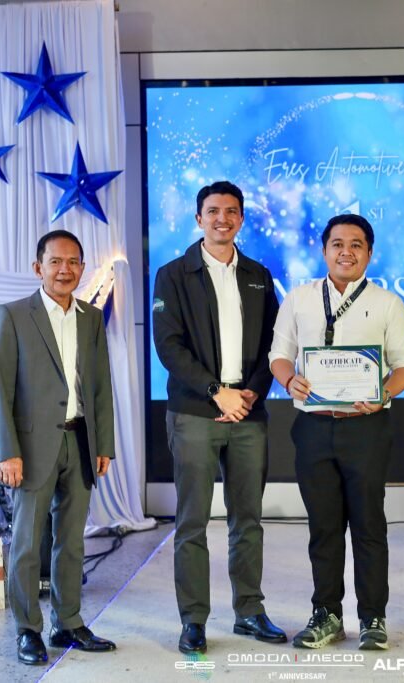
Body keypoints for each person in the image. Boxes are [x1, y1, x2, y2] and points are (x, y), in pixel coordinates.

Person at [269, 213, 404, 651]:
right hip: (313, 428)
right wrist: (288, 379)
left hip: (366, 427)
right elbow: (279, 355)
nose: (346, 252)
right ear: (324, 250)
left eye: (356, 245)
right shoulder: (298, 298)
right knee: (324, 527)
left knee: (368, 525)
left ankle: (373, 617)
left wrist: (384, 392)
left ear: (369, 252)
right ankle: (326, 614)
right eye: (337, 244)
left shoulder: (388, 303)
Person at [152, 181, 284, 654]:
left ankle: (249, 611)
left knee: (247, 520)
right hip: (195, 413)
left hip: (248, 412)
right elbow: (169, 346)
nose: (222, 219)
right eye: (213, 211)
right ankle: (193, 620)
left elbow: (275, 343)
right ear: (199, 218)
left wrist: (251, 392)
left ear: (241, 219)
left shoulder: (258, 275)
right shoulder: (173, 274)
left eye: (231, 211)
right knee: (192, 522)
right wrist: (216, 392)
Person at [0, 229, 117, 665]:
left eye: (73, 262)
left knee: (72, 541)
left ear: (82, 267)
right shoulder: (12, 315)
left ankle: (68, 622)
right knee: (27, 544)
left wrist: (103, 443)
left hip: (79, 441)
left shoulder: (91, 317)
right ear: (38, 267)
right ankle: (28, 630)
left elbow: (99, 386)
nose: (65, 270)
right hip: (29, 448)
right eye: (56, 262)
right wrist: (8, 451)